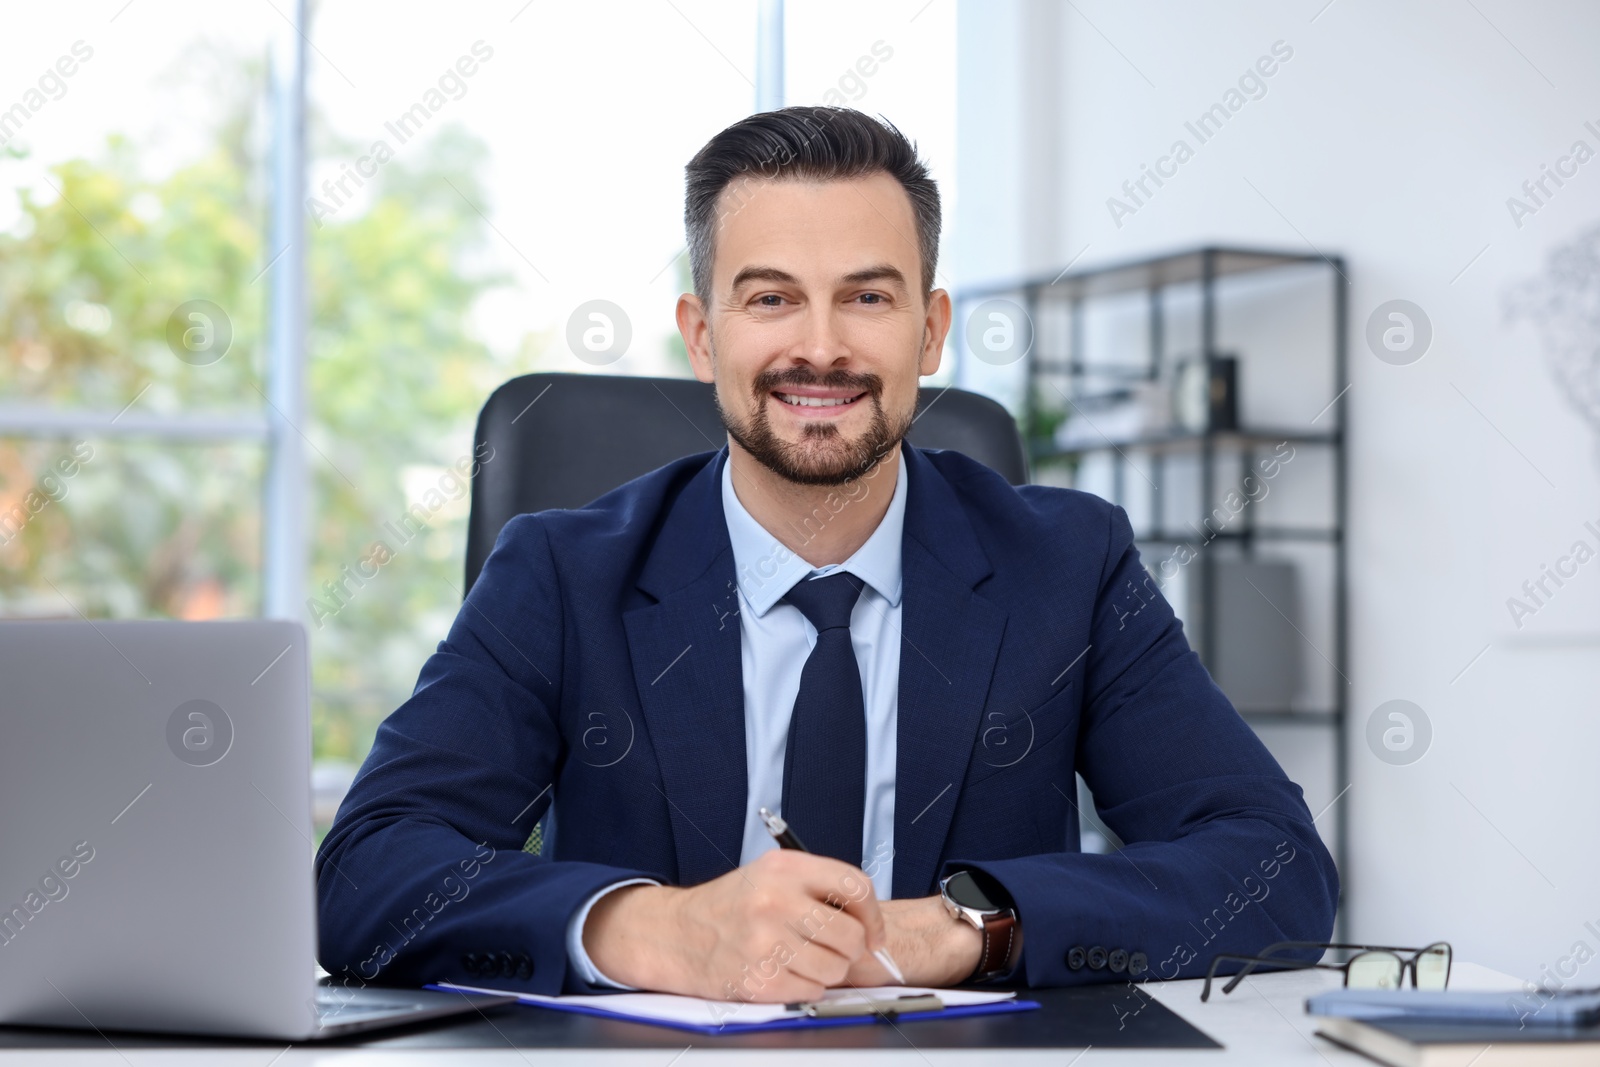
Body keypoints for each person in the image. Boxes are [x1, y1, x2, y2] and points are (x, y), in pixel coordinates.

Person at [315, 106, 1338, 1004]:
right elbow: (366, 873)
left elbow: (1272, 862)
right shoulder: (560, 574)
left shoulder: (1067, 566)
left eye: (867, 296)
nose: (821, 346)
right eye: (768, 298)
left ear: (930, 330)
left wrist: (957, 926)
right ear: (701, 334)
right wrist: (657, 929)